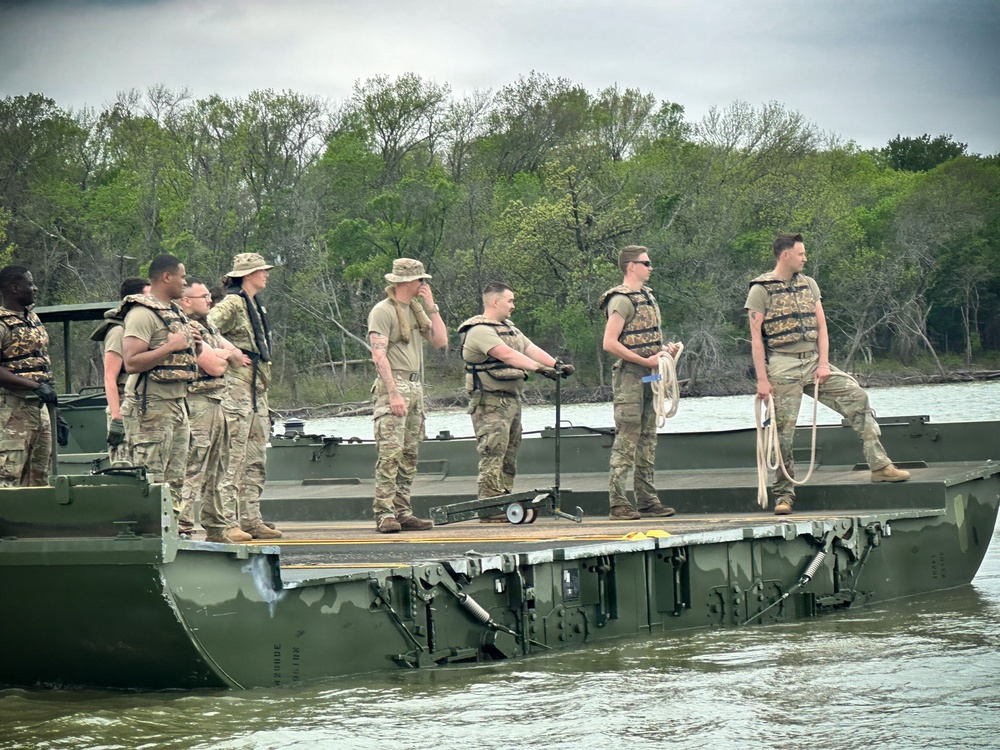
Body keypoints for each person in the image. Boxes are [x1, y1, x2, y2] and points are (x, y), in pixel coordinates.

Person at [746, 232, 910, 516]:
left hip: (812, 361)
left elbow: (822, 327)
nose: (805, 258)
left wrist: (824, 363)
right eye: (801, 253)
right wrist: (763, 379)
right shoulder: (760, 290)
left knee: (858, 397)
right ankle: (784, 495)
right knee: (783, 433)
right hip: (782, 364)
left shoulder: (809, 285)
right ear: (785, 255)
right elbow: (756, 339)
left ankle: (881, 466)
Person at [458, 282, 572, 522]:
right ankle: (489, 507)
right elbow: (507, 354)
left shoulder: (509, 328)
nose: (513, 305)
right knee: (493, 453)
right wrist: (540, 369)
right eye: (510, 300)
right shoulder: (479, 330)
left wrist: (555, 365)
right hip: (490, 402)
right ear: (495, 302)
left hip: (511, 401)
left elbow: (529, 348)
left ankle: (503, 499)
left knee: (509, 455)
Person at [598, 246, 682, 520]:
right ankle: (618, 502)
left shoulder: (646, 297)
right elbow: (609, 343)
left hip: (650, 376)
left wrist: (665, 353)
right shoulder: (621, 300)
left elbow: (647, 342)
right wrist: (645, 361)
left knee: (648, 438)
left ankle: (647, 499)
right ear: (631, 266)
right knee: (628, 438)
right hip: (630, 378)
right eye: (646, 263)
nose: (650, 267)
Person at [117, 254, 200, 524]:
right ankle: (147, 537)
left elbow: (183, 357)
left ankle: (171, 532)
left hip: (177, 405)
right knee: (151, 479)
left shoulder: (175, 313)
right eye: (182, 276)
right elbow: (131, 362)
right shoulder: (142, 314)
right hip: (151, 408)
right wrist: (171, 346)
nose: (185, 283)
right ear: (166, 277)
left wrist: (192, 343)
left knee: (175, 481)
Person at [368, 258, 447, 534]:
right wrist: (393, 393)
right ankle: (384, 513)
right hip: (396, 383)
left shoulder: (415, 310)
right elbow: (379, 354)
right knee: (390, 454)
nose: (423, 284)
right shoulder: (383, 311)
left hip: (415, 386)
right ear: (404, 282)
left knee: (410, 454)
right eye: (419, 280)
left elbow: (440, 341)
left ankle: (403, 510)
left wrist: (431, 307)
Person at [208, 253, 282, 540]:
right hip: (237, 388)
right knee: (233, 457)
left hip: (256, 389)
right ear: (247, 274)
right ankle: (227, 522)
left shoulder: (253, 305)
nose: (266, 274)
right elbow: (206, 328)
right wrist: (231, 352)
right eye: (261, 271)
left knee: (255, 457)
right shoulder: (233, 303)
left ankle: (251, 518)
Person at [179, 278, 252, 543]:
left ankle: (216, 525)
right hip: (197, 402)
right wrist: (224, 357)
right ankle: (182, 525)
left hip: (218, 401)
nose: (210, 300)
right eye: (205, 296)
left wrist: (225, 355)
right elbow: (217, 366)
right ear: (187, 300)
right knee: (193, 468)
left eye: (210, 295)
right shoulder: (186, 326)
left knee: (218, 468)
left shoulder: (208, 325)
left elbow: (236, 354)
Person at [0, 265, 55, 487]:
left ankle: (34, 522)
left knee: (39, 477)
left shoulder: (33, 320)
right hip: (12, 410)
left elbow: (42, 364)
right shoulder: (2, 323)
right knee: (8, 476)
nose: (35, 288)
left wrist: (55, 416)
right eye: (30, 284)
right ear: (14, 288)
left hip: (40, 410)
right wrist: (31, 386)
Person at [91, 277, 149, 464]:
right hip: (122, 407)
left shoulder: (139, 328)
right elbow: (109, 376)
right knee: (123, 465)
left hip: (138, 406)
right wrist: (116, 417)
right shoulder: (118, 330)